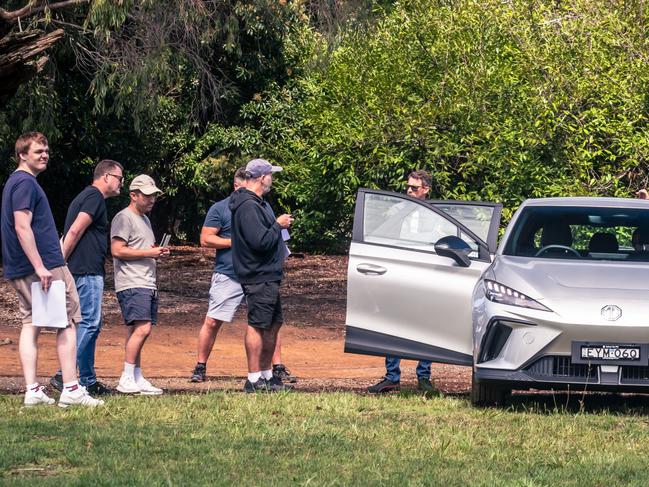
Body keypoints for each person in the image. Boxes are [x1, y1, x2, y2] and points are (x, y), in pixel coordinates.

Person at [1, 132, 103, 407]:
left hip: (19, 266)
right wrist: (40, 266)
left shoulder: (15, 182)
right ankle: (71, 388)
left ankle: (32, 390)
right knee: (69, 320)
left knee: (30, 322)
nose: (45, 154)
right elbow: (21, 226)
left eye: (46, 150)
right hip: (43, 264)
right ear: (22, 154)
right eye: (38, 151)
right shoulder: (25, 183)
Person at [189, 168, 296, 383]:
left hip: (259, 272)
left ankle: (275, 368)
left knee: (269, 321)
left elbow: (266, 236)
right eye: (239, 187)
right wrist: (239, 241)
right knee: (215, 320)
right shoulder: (228, 208)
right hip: (230, 271)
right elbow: (206, 239)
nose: (241, 190)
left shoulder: (262, 205)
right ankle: (201, 366)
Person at [49, 160, 124, 396]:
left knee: (90, 324)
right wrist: (59, 264)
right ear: (106, 177)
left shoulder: (86, 197)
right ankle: (64, 375)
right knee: (89, 323)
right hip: (86, 270)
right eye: (120, 178)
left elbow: (69, 231)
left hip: (83, 269)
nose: (122, 183)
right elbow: (74, 231)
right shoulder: (94, 197)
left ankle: (88, 380)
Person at [368, 170, 436, 394]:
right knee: (393, 323)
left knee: (426, 325)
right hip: (399, 274)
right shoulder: (396, 211)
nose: (408, 190)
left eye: (414, 187)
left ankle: (424, 377)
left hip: (425, 275)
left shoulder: (436, 214)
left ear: (425, 189)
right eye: (407, 186)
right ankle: (392, 376)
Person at [229, 158, 293, 392]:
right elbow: (260, 242)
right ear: (262, 177)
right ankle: (253, 379)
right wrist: (278, 225)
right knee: (257, 324)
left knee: (273, 323)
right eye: (271, 175)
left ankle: (266, 376)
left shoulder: (257, 203)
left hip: (268, 274)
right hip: (258, 275)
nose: (272, 180)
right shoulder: (248, 206)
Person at [111, 174, 168, 395]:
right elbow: (117, 250)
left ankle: (136, 375)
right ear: (133, 195)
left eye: (154, 195)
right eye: (147, 195)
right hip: (132, 281)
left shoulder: (144, 219)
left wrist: (155, 252)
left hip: (146, 280)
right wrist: (149, 252)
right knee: (142, 328)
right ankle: (126, 377)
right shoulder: (123, 218)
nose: (152, 199)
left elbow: (139, 248)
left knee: (139, 329)